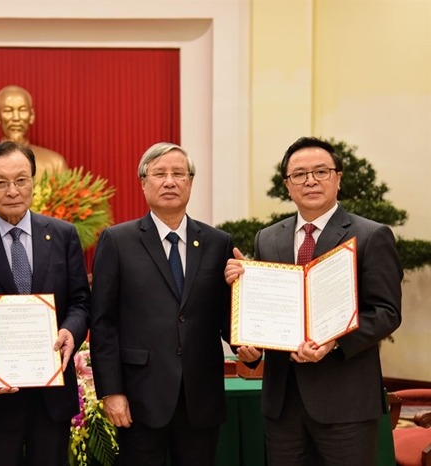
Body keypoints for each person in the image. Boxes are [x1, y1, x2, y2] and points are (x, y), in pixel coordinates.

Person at [224, 137, 403, 466]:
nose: (310, 180)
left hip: (345, 402)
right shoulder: (268, 237)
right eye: (299, 174)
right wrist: (250, 347)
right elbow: (273, 311)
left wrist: (334, 341)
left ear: (338, 178)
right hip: (282, 404)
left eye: (321, 171)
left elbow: (386, 312)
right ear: (287, 186)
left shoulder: (370, 235)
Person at [90, 142, 235, 466]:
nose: (169, 181)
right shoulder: (117, 241)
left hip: (201, 396)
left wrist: (247, 348)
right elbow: (103, 323)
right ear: (143, 182)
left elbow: (227, 315)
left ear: (190, 182)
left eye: (178, 174)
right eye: (159, 174)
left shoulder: (217, 242)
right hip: (140, 397)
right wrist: (111, 392)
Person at [0, 140, 90, 466]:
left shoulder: (63, 235)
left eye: (22, 179)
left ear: (33, 181)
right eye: (0, 182)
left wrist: (71, 330)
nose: (13, 190)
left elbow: (81, 302)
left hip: (51, 396)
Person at [0, 85, 68, 179]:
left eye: (22, 110)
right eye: (8, 111)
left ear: (31, 116)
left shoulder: (55, 164)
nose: (16, 118)